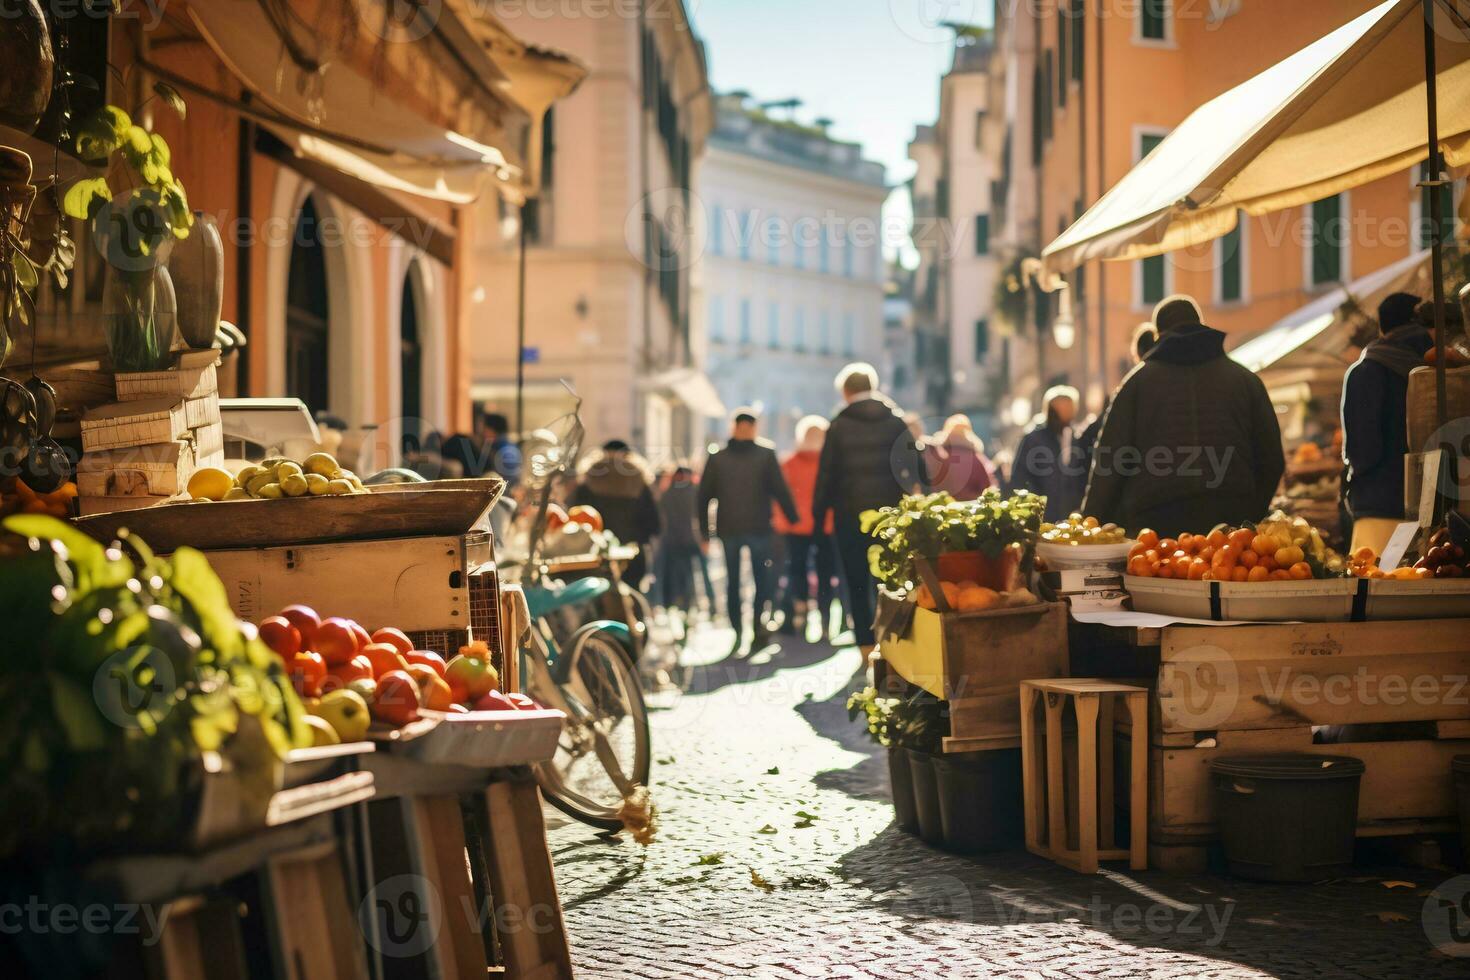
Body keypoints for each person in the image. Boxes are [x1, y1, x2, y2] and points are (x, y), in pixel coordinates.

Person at [1083, 295, 1285, 537]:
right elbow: (1272, 459)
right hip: (1231, 523)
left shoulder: (1136, 384)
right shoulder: (1245, 380)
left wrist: (1089, 523)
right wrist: (1251, 513)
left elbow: (1110, 462)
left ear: (1158, 334)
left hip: (1156, 526)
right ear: (1200, 323)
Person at [813, 363, 925, 655]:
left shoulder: (838, 425)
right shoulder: (895, 421)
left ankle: (865, 646)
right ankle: (892, 645)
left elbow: (826, 474)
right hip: (889, 516)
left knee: (855, 580)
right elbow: (918, 468)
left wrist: (818, 514)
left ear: (846, 391)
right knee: (890, 578)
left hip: (849, 515)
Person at [699, 410, 799, 654]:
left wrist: (793, 517)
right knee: (744, 580)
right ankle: (744, 629)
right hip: (745, 528)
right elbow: (704, 497)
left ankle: (751, 628)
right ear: (735, 428)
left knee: (753, 580)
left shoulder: (728, 457)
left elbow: (779, 488)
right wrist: (704, 533)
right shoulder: (734, 456)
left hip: (748, 528)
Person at [1341, 292, 1433, 555]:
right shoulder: (1441, 365)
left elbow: (1362, 451)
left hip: (1379, 507)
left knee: (1376, 590)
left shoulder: (1366, 371)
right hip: (1434, 512)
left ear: (1382, 327)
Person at [774, 416, 840, 641]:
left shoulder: (789, 463)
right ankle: (825, 621)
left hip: (796, 527)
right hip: (825, 526)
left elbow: (780, 498)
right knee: (825, 575)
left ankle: (801, 617)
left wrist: (784, 523)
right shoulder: (832, 465)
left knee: (797, 573)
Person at [572, 440, 660, 588]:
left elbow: (576, 515)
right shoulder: (638, 479)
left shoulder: (589, 478)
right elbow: (653, 522)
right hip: (632, 553)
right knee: (632, 598)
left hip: (596, 554)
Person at [1012, 386, 1087, 522]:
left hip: (1071, 516)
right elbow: (1020, 477)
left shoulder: (1078, 437)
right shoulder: (1033, 439)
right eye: (1059, 408)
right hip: (1041, 515)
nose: (1064, 412)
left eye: (1068, 407)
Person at [654, 464, 704, 617]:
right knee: (689, 574)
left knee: (677, 574)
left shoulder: (668, 493)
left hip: (672, 539)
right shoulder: (694, 492)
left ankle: (679, 602)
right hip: (689, 539)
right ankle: (689, 604)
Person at [923, 414, 996, 501]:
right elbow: (987, 487)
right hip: (971, 509)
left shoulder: (939, 457)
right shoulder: (975, 459)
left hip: (944, 508)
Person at [443, 410, 522, 484]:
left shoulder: (504, 452)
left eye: (483, 428)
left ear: (491, 430)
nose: (480, 433)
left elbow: (506, 483)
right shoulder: (501, 448)